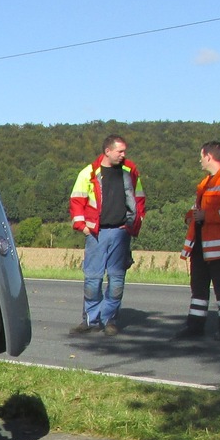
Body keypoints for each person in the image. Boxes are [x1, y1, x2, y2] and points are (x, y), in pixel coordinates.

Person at [68, 134, 146, 336]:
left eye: (124, 151)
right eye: (120, 151)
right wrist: (82, 227)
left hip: (120, 233)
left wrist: (133, 224)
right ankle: (90, 319)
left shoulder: (130, 170)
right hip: (96, 233)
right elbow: (77, 200)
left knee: (117, 280)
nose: (123, 155)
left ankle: (110, 319)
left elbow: (138, 199)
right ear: (107, 151)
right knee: (92, 280)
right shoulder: (89, 172)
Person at [174, 141, 220, 341]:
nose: (199, 160)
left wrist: (207, 216)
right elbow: (197, 208)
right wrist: (190, 215)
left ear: (208, 156)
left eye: (201, 156)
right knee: (198, 287)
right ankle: (194, 327)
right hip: (201, 245)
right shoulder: (206, 183)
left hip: (219, 247)